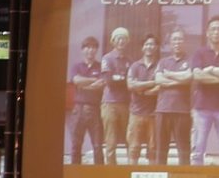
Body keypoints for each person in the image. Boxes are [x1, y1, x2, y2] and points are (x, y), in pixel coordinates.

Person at [189, 15, 219, 164]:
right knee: (198, 149)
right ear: (207, 32)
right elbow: (197, 75)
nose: (216, 32)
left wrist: (210, 70)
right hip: (202, 108)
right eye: (213, 29)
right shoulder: (199, 53)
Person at [155, 30, 196, 166]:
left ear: (184, 42)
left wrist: (169, 75)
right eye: (174, 40)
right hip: (163, 110)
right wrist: (178, 79)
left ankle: (184, 177)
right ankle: (160, 177)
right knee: (161, 148)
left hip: (182, 111)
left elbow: (188, 77)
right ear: (170, 43)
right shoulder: (163, 61)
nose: (177, 43)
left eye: (180, 39)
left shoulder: (190, 60)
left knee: (183, 148)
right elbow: (159, 79)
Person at [67, 35, 106, 163]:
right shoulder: (76, 66)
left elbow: (101, 85)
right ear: (83, 50)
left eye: (93, 47)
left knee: (98, 145)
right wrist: (93, 81)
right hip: (78, 109)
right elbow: (76, 81)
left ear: (96, 50)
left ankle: (100, 175)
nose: (90, 50)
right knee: (76, 144)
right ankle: (74, 173)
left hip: (95, 109)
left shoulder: (101, 66)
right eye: (88, 47)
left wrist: (85, 84)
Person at [127, 33, 164, 165]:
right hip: (136, 112)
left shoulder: (160, 65)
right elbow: (131, 85)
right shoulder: (135, 66)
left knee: (153, 148)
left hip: (153, 113)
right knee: (134, 148)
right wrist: (151, 83)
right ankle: (131, 174)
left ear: (157, 47)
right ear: (142, 47)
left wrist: (142, 89)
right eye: (147, 44)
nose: (149, 46)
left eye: (152, 44)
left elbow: (160, 86)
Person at [100, 27, 133, 162]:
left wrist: (118, 77)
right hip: (110, 103)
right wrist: (122, 79)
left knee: (129, 138)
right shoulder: (107, 58)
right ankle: (111, 170)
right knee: (111, 140)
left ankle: (129, 169)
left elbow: (131, 81)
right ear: (113, 41)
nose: (121, 41)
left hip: (125, 103)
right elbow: (109, 81)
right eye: (118, 38)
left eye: (124, 38)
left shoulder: (129, 60)